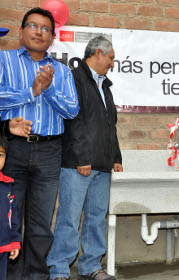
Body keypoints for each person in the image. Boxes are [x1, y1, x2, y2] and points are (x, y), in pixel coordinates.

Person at [0, 7, 79, 280]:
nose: (38, 32)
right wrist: (31, 91)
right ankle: (9, 275)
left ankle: (36, 275)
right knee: (8, 216)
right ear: (21, 32)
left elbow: (71, 110)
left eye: (45, 29)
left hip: (49, 150)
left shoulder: (61, 70)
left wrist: (49, 90)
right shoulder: (4, 60)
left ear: (52, 38)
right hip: (11, 149)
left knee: (41, 221)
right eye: (33, 26)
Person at [47, 36, 123, 280]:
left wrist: (116, 157)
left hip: (102, 164)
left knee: (96, 218)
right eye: (111, 57)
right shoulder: (75, 77)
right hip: (78, 164)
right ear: (98, 53)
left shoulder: (106, 86)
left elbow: (111, 125)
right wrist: (81, 158)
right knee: (69, 218)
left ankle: (91, 266)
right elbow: (74, 121)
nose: (112, 63)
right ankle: (59, 269)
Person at [0, 136, 21, 280]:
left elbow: (12, 217)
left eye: (0, 155)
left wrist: (14, 241)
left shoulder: (8, 186)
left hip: (3, 246)